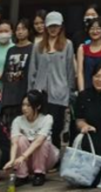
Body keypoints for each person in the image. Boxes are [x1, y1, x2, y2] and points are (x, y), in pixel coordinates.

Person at [26, 11, 74, 152]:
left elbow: (70, 70)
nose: (53, 29)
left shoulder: (68, 44)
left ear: (61, 27)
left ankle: (55, 157)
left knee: (57, 127)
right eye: (50, 26)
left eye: (56, 26)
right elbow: (32, 70)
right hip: (40, 93)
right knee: (39, 127)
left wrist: (70, 92)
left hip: (59, 93)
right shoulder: (38, 46)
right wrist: (30, 93)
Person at [4, 89, 57, 186]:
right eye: (23, 105)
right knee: (21, 140)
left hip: (46, 158)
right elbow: (14, 142)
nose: (24, 108)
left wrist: (23, 157)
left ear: (38, 106)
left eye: (28, 105)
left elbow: (39, 141)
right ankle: (22, 175)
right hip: (26, 160)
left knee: (42, 142)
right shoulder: (17, 120)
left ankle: (39, 173)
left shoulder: (47, 119)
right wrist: (12, 160)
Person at [0, 19, 33, 131]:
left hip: (23, 93)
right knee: (9, 128)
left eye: (23, 29)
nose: (20, 32)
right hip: (9, 95)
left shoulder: (33, 48)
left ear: (29, 31)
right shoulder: (11, 50)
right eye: (18, 29)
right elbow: (6, 72)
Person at [76, 17, 101, 93]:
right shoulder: (82, 48)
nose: (95, 31)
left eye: (98, 28)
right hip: (87, 88)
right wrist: (82, 92)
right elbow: (80, 72)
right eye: (92, 29)